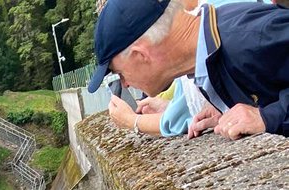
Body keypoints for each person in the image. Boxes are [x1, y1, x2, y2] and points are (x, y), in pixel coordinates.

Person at [87, 0, 289, 137]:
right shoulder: (211, 53)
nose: (125, 83)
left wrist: (269, 117)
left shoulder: (248, 38)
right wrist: (229, 111)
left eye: (120, 74)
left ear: (140, 55)